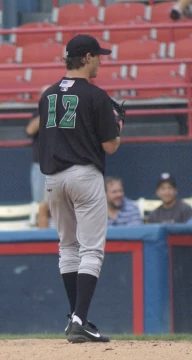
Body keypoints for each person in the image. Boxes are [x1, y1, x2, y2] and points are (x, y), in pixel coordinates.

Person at [38, 34, 123, 343]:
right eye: (98, 55)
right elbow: (109, 146)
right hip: (84, 175)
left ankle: (74, 317)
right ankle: (79, 319)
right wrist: (118, 127)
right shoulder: (96, 96)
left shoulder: (47, 95)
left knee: (68, 246)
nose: (101, 60)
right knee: (90, 249)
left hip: (53, 179)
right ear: (86, 57)